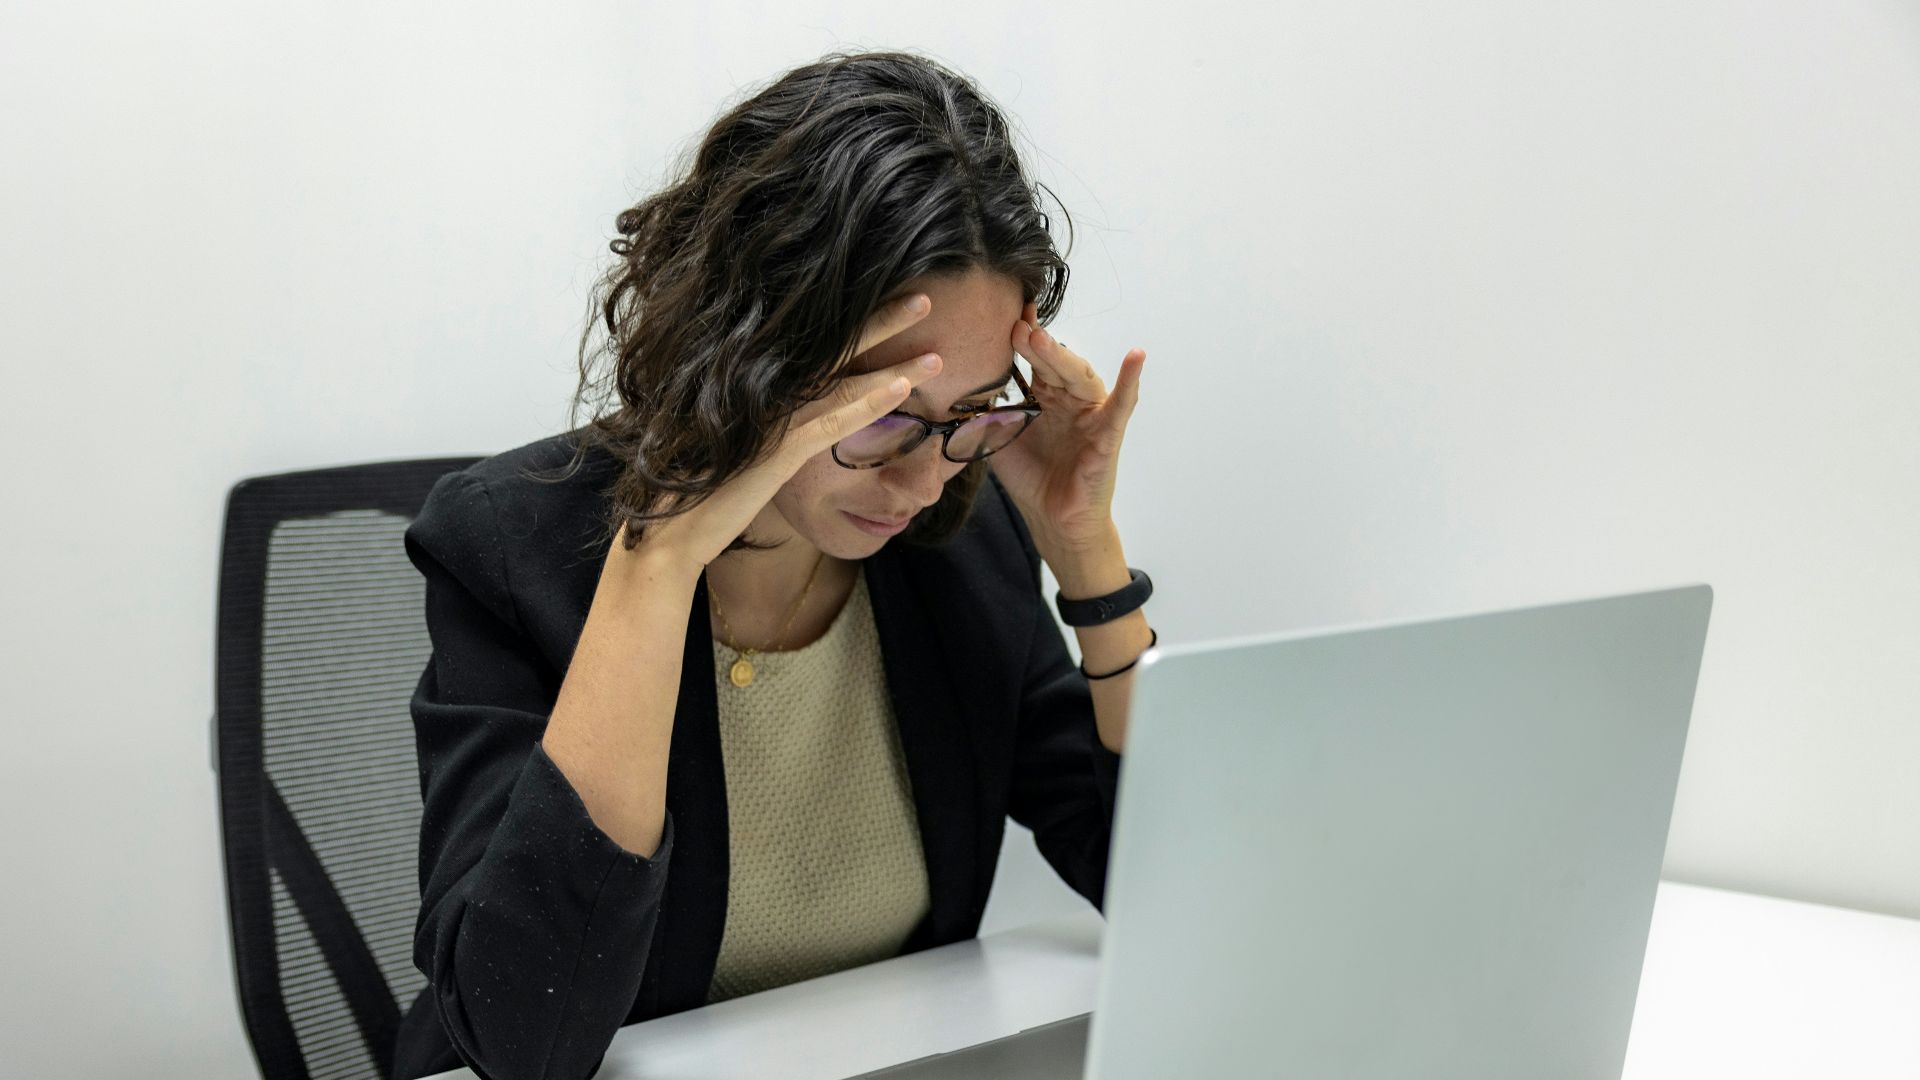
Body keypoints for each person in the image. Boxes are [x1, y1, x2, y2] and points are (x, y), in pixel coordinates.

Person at [391, 49, 1155, 1080]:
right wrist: (657, 568)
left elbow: (1164, 888)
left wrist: (1085, 554)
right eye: (886, 416)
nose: (926, 481)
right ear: (745, 350)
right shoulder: (509, 546)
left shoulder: (958, 545)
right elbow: (523, 1036)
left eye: (971, 414)